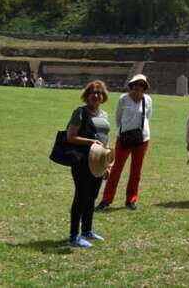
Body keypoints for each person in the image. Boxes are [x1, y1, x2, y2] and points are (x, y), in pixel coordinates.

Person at [97, 74, 152, 211]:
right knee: (116, 169)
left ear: (144, 88)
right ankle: (106, 200)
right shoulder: (124, 99)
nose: (138, 88)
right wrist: (124, 130)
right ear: (131, 86)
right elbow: (118, 118)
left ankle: (131, 200)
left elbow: (148, 117)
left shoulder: (148, 100)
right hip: (124, 138)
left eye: (141, 86)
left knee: (136, 171)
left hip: (142, 139)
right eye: (135, 85)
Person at [65, 80, 111, 248]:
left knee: (92, 197)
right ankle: (73, 235)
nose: (96, 96)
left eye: (99, 93)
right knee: (81, 196)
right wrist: (92, 141)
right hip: (82, 160)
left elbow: (105, 140)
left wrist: (107, 165)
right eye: (93, 92)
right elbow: (71, 137)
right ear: (87, 95)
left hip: (99, 161)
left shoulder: (104, 115)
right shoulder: (80, 112)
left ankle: (87, 230)